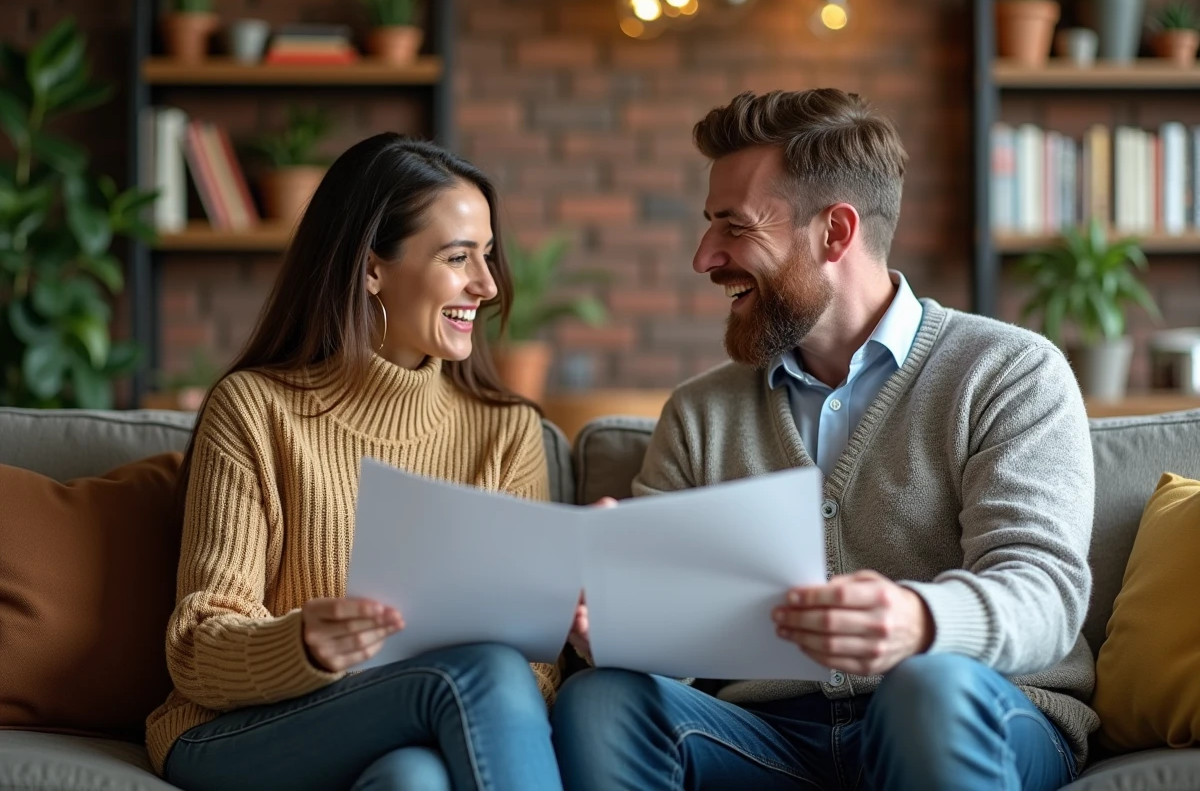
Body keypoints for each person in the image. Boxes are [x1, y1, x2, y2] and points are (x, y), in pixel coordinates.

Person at [553, 89, 1095, 791]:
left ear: (835, 233)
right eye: (709, 226)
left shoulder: (1008, 371)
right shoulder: (699, 413)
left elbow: (1045, 593)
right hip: (771, 738)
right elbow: (677, 645)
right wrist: (624, 626)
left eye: (734, 226)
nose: (704, 257)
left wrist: (920, 622)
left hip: (975, 708)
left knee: (927, 688)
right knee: (602, 700)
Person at [145, 134, 566, 791]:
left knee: (413, 780)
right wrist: (302, 645)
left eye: (486, 255)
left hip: (419, 724)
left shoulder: (506, 432)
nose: (486, 285)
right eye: (458, 257)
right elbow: (197, 646)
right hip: (242, 731)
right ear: (372, 270)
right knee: (480, 672)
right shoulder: (256, 409)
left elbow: (535, 669)